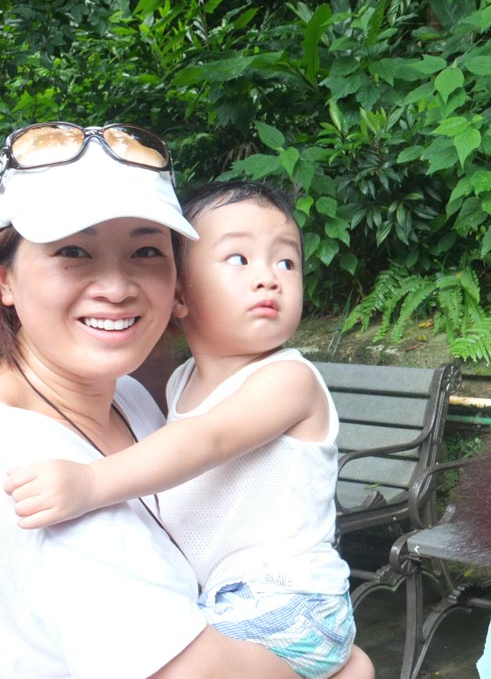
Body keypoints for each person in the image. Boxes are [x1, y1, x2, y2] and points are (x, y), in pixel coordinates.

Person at [5, 179, 373, 679]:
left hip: (286, 601)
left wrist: (92, 482)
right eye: (238, 260)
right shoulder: (177, 384)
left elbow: (206, 440)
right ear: (181, 293)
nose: (269, 278)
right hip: (230, 605)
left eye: (286, 262)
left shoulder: (288, 379)